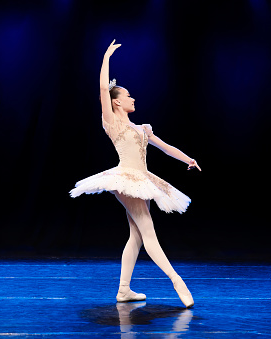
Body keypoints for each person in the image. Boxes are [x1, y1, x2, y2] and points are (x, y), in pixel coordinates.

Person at [70, 40, 201, 308]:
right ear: (116, 103)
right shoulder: (113, 122)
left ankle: (124, 290)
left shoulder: (143, 128)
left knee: (137, 236)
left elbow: (165, 148)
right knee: (149, 233)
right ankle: (177, 281)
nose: (133, 98)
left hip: (144, 180)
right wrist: (106, 57)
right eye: (128, 96)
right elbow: (101, 89)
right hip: (126, 180)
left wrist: (188, 158)